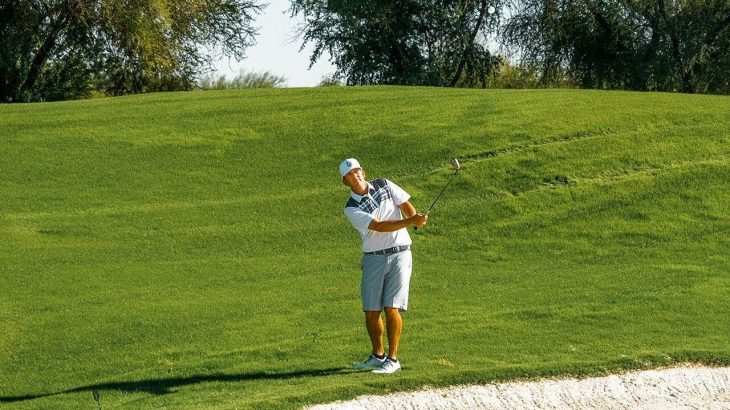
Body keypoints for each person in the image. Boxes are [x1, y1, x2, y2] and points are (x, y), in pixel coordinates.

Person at [340, 158, 428, 374]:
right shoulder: (351, 208)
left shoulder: (385, 184)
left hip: (400, 253)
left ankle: (393, 359)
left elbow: (404, 203)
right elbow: (378, 226)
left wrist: (413, 217)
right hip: (373, 257)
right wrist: (411, 222)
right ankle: (377, 356)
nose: (356, 175)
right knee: (371, 311)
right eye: (351, 175)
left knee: (392, 308)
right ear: (345, 182)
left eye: (358, 171)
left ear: (363, 171)